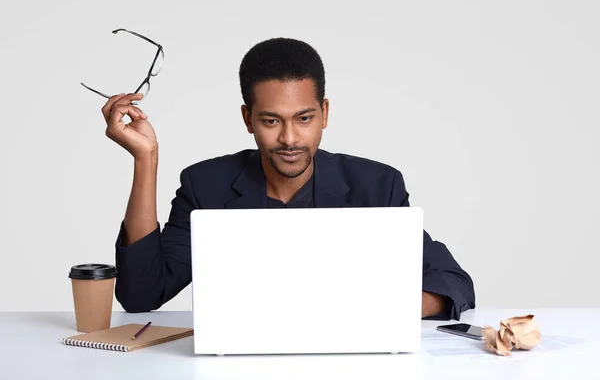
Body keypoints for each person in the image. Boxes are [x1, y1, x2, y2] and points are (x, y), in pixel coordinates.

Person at [102, 38, 475, 320]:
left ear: (324, 113)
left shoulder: (377, 185)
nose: (290, 139)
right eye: (271, 121)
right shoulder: (206, 185)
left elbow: (454, 283)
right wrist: (145, 158)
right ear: (248, 119)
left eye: (304, 118)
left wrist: (380, 309)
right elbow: (141, 295)